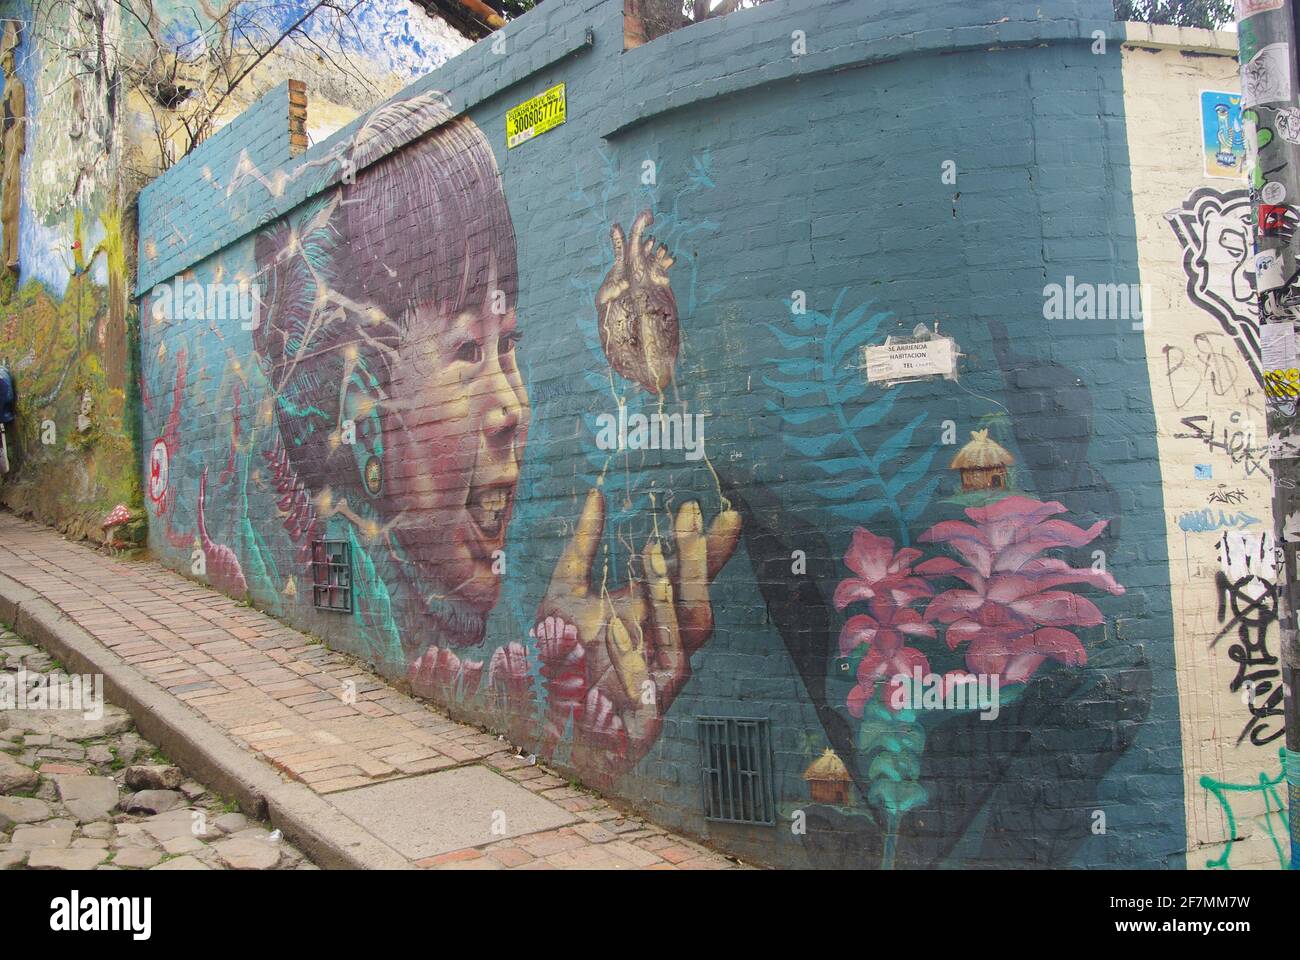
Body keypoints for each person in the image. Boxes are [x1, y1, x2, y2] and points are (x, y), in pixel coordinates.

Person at [254, 89, 740, 784]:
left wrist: (568, 701)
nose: (513, 405)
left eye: (508, 345)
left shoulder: (426, 615)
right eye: (467, 353)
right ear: (366, 417)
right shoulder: (293, 567)